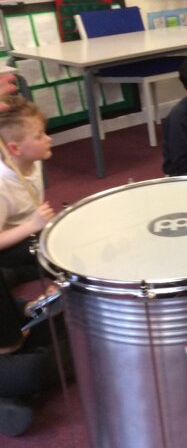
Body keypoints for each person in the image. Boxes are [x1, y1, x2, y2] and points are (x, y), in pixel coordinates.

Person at [0, 278, 70, 437]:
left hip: (9, 335)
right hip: (7, 344)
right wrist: (9, 344)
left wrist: (27, 307)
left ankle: (9, 397)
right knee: (33, 369)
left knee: (61, 317)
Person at [0, 95, 54, 289]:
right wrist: (32, 225)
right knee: (56, 251)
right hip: (9, 243)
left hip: (31, 231)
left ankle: (16, 274)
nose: (48, 139)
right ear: (15, 149)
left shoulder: (33, 161)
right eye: (39, 136)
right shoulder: (2, 184)